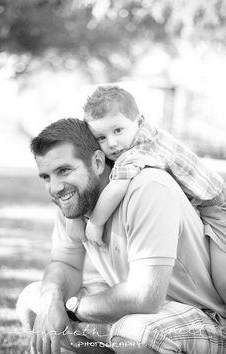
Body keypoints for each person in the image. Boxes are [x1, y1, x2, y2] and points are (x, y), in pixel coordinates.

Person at [16, 118, 226, 354]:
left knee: (136, 333)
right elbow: (65, 264)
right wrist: (52, 300)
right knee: (34, 301)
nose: (55, 187)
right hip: (146, 314)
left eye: (64, 171)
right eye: (46, 177)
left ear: (96, 162)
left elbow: (144, 297)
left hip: (207, 319)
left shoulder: (148, 189)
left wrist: (71, 308)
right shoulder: (72, 203)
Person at [81, 87, 226, 284]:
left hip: (218, 209)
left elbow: (116, 188)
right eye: (101, 137)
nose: (112, 143)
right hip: (208, 202)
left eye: (118, 130)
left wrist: (95, 222)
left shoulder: (137, 151)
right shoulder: (144, 133)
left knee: (223, 285)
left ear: (139, 122)